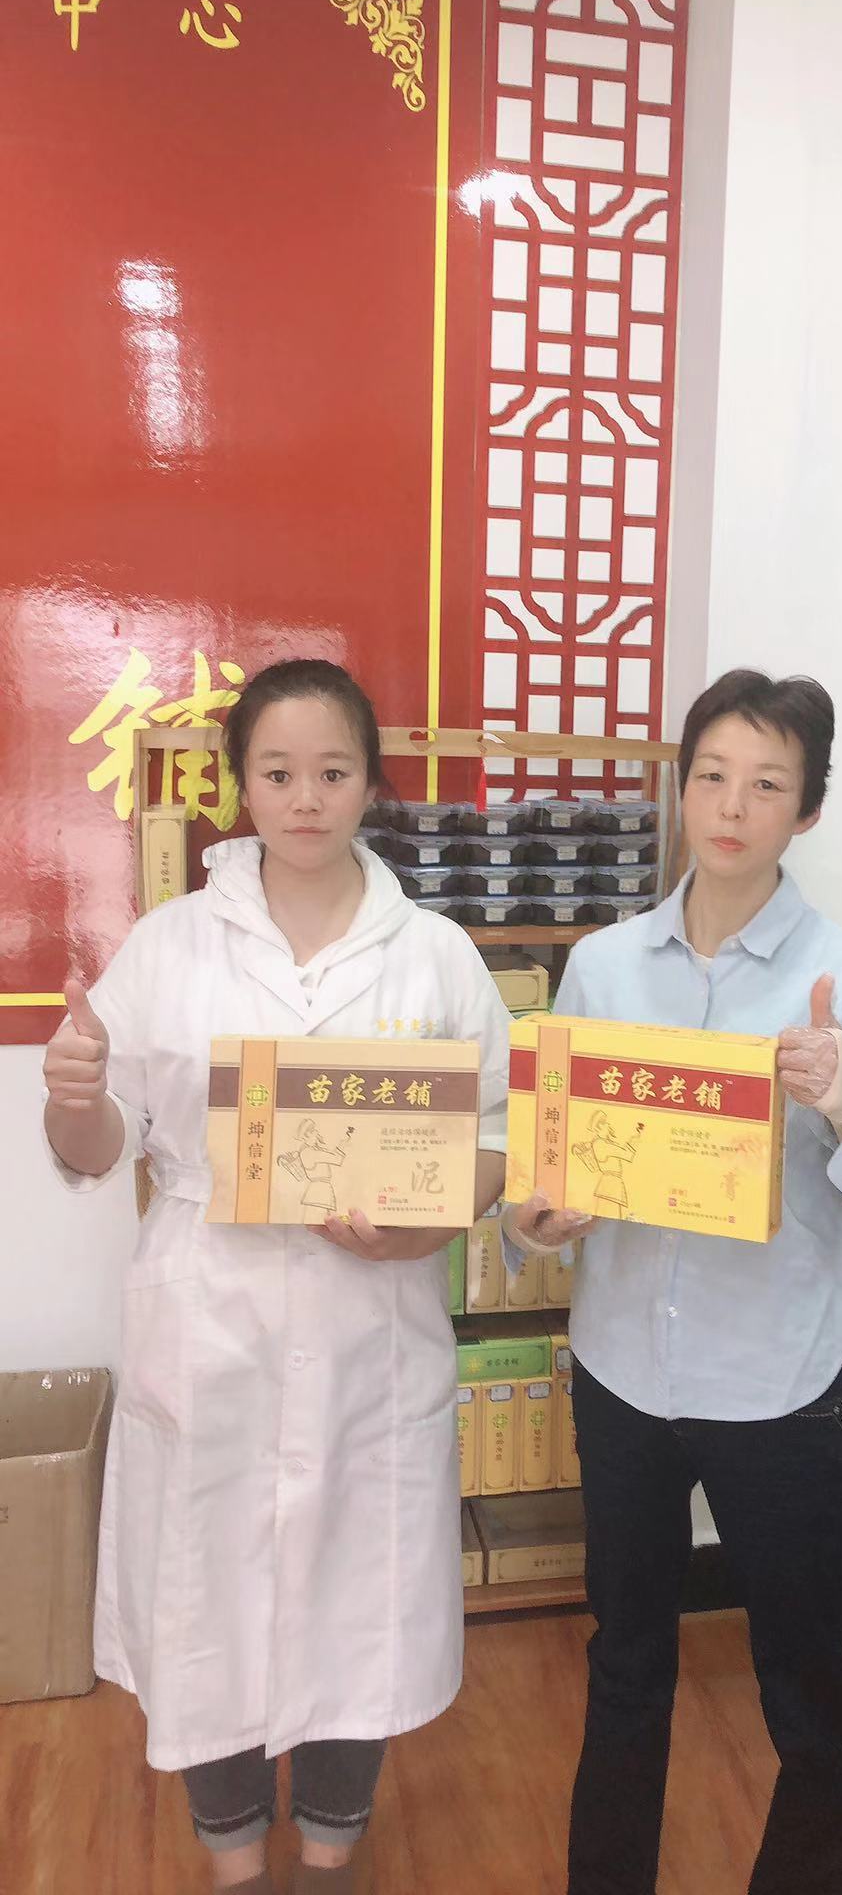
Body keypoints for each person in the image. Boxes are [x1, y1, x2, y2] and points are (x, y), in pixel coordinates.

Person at [43, 659, 509, 1895]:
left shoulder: (436, 955)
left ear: (372, 783)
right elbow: (98, 1150)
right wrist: (75, 1096)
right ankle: (236, 1861)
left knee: (359, 1599)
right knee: (213, 1605)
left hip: (371, 1326)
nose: (306, 798)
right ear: (240, 784)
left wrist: (430, 1224)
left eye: (334, 772)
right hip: (214, 1321)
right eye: (279, 772)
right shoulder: (169, 945)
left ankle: (331, 1856)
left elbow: (495, 1140)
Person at [506, 669, 842, 1895]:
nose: (732, 808)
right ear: (682, 787)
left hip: (780, 1394)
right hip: (622, 1381)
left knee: (805, 1683)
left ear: (809, 809)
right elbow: (542, 1190)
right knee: (625, 1665)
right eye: (711, 776)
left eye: (766, 784)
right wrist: (536, 1222)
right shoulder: (602, 966)